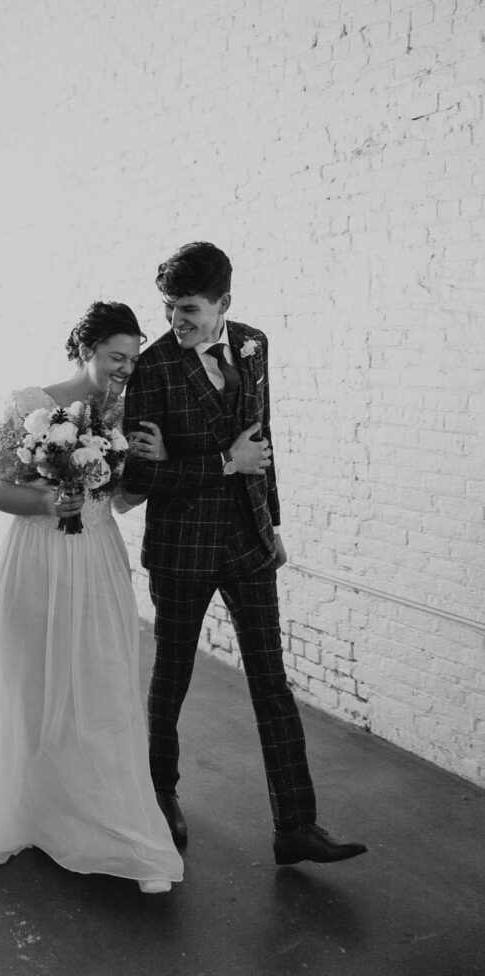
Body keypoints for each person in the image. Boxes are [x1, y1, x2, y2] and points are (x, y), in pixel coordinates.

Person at [0, 301, 183, 895]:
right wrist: (50, 502)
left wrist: (148, 466)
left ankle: (101, 813)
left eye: (131, 358)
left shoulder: (126, 414)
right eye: (115, 357)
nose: (125, 369)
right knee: (31, 678)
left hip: (97, 555)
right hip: (36, 558)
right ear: (85, 350)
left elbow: (121, 501)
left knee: (99, 680)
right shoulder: (30, 403)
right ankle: (25, 804)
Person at [123, 242, 367, 865]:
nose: (176, 321)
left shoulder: (255, 344)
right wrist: (226, 462)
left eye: (188, 309)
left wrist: (274, 523)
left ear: (224, 304)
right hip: (182, 548)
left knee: (271, 682)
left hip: (249, 542)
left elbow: (265, 442)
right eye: (169, 308)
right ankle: (159, 797)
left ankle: (296, 825)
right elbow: (146, 479)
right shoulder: (152, 369)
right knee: (171, 679)